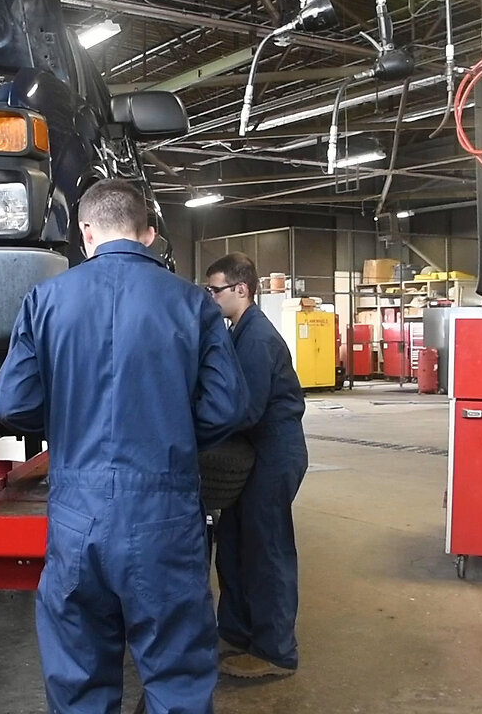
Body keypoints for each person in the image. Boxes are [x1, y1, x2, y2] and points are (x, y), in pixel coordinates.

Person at [0, 179, 247, 714]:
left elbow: (12, 401)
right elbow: (227, 407)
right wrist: (169, 430)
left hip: (77, 513)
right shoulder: (192, 303)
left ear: (86, 232)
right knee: (176, 669)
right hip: (165, 509)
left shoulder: (45, 299)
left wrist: (69, 421)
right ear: (149, 234)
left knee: (80, 670)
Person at [203, 252, 308, 679]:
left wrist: (194, 425)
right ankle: (238, 631)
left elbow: (243, 411)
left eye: (215, 290)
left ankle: (275, 651)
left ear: (241, 290)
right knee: (233, 544)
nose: (210, 298)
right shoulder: (237, 331)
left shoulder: (257, 339)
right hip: (252, 453)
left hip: (273, 452)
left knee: (266, 550)